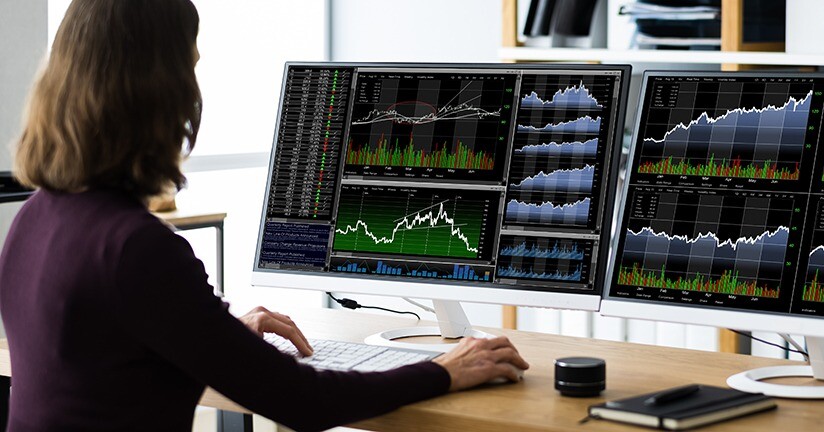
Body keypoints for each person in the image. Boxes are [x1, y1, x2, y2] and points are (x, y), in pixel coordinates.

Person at [0, 0, 529, 431]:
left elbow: (112, 354)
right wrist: (442, 371)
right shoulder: (137, 249)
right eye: (190, 66)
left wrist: (217, 333)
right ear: (161, 91)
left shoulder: (35, 220)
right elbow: (301, 400)